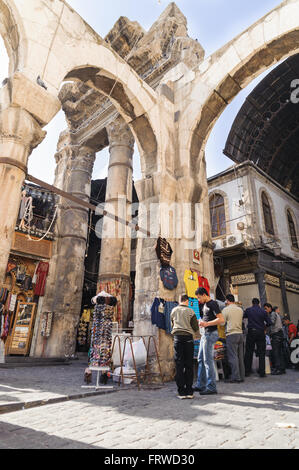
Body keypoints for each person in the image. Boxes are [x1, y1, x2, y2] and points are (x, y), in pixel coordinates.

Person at [193, 288, 225, 395]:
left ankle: (211, 387)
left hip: (210, 334)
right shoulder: (205, 305)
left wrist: (207, 324)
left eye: (199, 297)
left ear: (204, 294)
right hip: (205, 334)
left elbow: (221, 320)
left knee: (208, 361)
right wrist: (202, 322)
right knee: (201, 359)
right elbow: (207, 318)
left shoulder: (213, 304)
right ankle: (200, 384)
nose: (198, 300)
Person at [171, 294, 199, 399]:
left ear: (180, 300)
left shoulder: (173, 310)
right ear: (187, 301)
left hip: (177, 338)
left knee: (179, 364)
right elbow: (195, 326)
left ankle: (181, 391)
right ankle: (189, 391)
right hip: (188, 339)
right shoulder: (191, 311)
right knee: (188, 365)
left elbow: (172, 324)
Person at [244, 298, 271, 378]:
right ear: (259, 304)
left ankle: (247, 371)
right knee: (262, 352)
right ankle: (262, 372)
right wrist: (264, 328)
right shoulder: (263, 311)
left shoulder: (248, 310)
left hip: (251, 332)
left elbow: (243, 316)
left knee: (249, 352)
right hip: (260, 332)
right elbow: (269, 323)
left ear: (252, 303)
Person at [222, 294, 245, 383]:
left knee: (233, 357)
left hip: (231, 334)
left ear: (227, 300)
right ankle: (241, 376)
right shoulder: (240, 309)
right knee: (240, 356)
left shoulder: (226, 309)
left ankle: (235, 377)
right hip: (240, 334)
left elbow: (222, 323)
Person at [264, 303, 285, 375]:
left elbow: (271, 322)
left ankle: (278, 369)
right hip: (280, 334)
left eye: (266, 308)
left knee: (276, 352)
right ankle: (282, 368)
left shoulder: (273, 314)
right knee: (279, 352)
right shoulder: (276, 314)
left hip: (276, 335)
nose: (265, 310)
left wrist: (265, 325)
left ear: (270, 308)